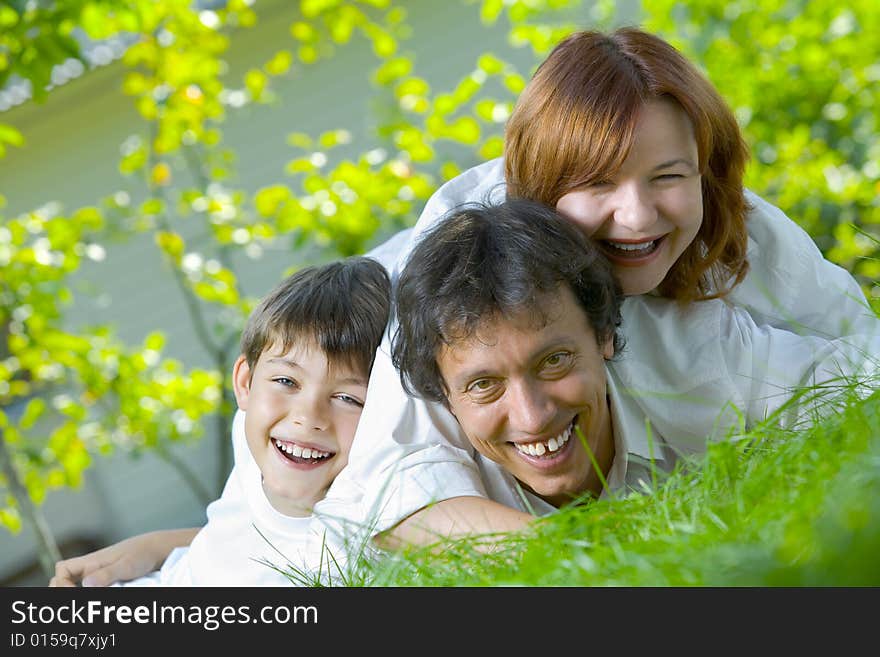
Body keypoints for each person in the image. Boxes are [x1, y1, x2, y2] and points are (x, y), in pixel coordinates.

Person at [53, 25, 880, 582]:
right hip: (303, 440)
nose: (636, 216)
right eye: (595, 185)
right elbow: (373, 496)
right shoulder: (448, 283)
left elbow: (850, 346)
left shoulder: (737, 248)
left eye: (669, 176)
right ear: (538, 185)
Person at [382, 199, 877, 524]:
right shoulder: (418, 468)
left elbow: (864, 382)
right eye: (485, 385)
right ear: (444, 395)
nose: (532, 416)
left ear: (603, 335)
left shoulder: (698, 354)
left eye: (554, 360)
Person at [51, 256, 390, 586]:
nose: (307, 417)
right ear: (246, 383)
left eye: (348, 399)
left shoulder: (352, 536)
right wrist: (152, 547)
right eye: (287, 382)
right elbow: (245, 533)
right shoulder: (252, 443)